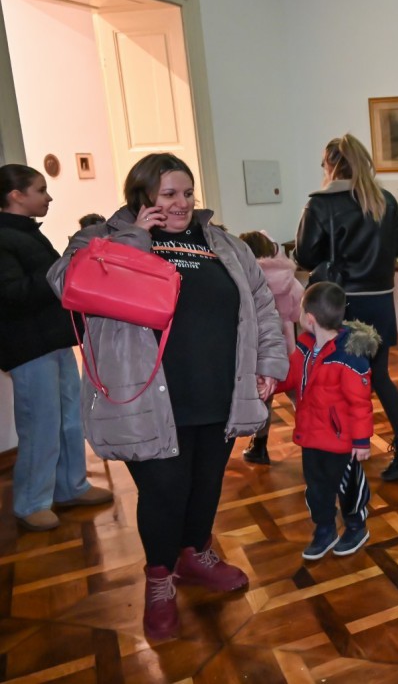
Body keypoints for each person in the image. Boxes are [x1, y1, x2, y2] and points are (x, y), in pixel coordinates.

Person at [46, 152, 289, 640]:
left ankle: (194, 555)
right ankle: (160, 578)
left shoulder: (223, 243)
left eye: (188, 193)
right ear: (142, 196)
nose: (182, 203)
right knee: (163, 492)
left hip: (218, 390)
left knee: (206, 484)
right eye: (169, 194)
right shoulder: (102, 238)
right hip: (148, 398)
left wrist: (269, 363)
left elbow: (262, 305)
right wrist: (136, 238)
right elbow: (66, 283)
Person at [294, 133, 398, 481]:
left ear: (331, 165)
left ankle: (340, 449)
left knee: (336, 378)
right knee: (379, 377)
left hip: (340, 304)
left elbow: (304, 255)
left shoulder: (321, 204)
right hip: (380, 301)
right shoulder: (384, 200)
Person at [0, 164, 112, 532]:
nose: (48, 197)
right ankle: (31, 502)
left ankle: (70, 486)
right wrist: (61, 269)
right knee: (41, 424)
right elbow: (11, 295)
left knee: (69, 418)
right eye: (40, 190)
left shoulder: (27, 233)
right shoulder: (4, 237)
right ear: (16, 195)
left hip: (54, 340)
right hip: (29, 346)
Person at [275, 282, 379, 560]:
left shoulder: (349, 356)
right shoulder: (305, 346)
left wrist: (361, 440)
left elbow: (360, 403)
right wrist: (271, 383)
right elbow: (292, 376)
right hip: (311, 436)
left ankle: (356, 526)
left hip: (342, 443)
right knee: (317, 489)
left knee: (349, 489)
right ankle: (325, 528)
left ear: (309, 318)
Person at [238, 230, 305, 464]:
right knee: (298, 394)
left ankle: (260, 446)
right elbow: (297, 313)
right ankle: (310, 435)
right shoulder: (288, 278)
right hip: (287, 347)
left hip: (260, 348)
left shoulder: (245, 279)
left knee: (263, 398)